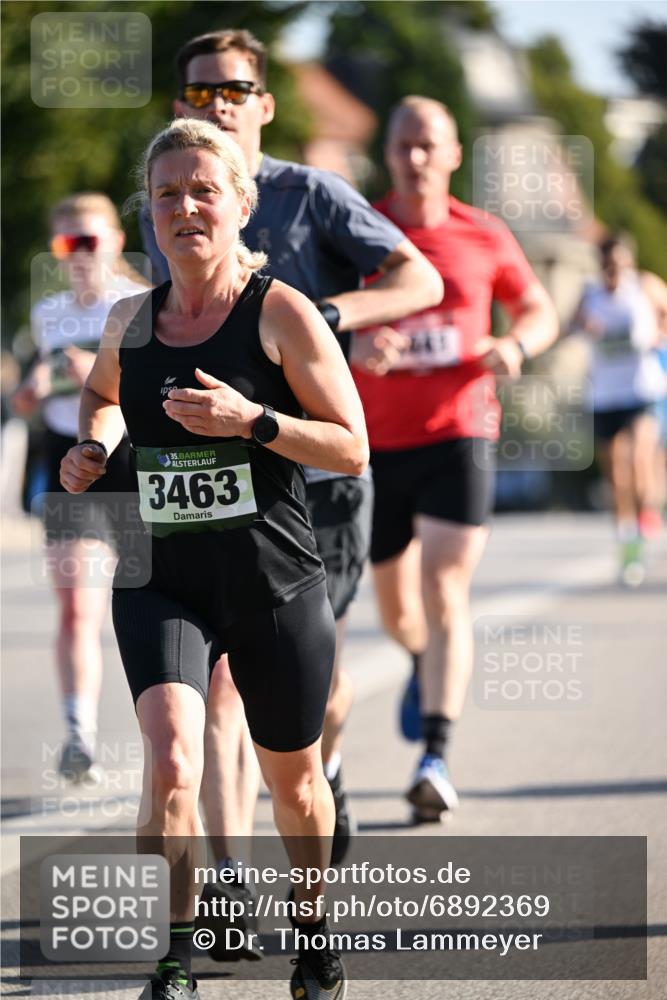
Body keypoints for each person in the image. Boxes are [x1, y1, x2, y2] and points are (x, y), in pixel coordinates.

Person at [61, 117, 370, 1000]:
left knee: (297, 785)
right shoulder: (130, 318)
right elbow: (100, 395)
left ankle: (311, 932)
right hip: (161, 579)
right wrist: (90, 444)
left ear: (241, 204)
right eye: (166, 195)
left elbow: (352, 448)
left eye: (203, 191)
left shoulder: (278, 311)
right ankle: (175, 956)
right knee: (170, 761)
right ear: (148, 215)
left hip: (272, 582)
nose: (184, 208)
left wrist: (254, 422)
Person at [141, 27, 443, 906]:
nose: (216, 106)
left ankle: (326, 770)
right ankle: (228, 883)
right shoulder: (168, 190)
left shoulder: (310, 193)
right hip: (220, 488)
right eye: (199, 95)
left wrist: (326, 318)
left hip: (318, 480)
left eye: (232, 91)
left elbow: (418, 280)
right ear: (179, 106)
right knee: (222, 688)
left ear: (264, 105)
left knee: (319, 690)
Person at [351, 96, 559, 822]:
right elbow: (316, 319)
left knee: (444, 588)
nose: (414, 158)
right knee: (397, 609)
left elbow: (538, 309)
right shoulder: (363, 231)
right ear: (387, 152)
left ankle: (434, 757)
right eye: (402, 144)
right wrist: (355, 347)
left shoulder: (483, 233)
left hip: (459, 432)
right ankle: (419, 661)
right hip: (374, 447)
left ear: (452, 154)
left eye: (427, 145)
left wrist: (516, 344)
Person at [12, 193, 149, 781]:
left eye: (89, 240)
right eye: (66, 244)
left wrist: (95, 375)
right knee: (76, 608)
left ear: (115, 242)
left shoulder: (140, 305)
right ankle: (79, 735)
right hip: (74, 469)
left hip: (137, 468)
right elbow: (34, 393)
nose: (78, 254)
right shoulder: (47, 314)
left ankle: (180, 733)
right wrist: (26, 397)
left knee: (155, 607)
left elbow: (152, 394)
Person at [572, 234, 667, 586]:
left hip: (642, 390)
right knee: (616, 477)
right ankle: (629, 546)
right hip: (604, 395)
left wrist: (659, 335)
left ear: (629, 262)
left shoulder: (645, 286)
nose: (614, 272)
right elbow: (570, 326)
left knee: (641, 462)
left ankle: (647, 517)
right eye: (609, 266)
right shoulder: (590, 293)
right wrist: (583, 327)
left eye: (620, 265)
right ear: (600, 265)